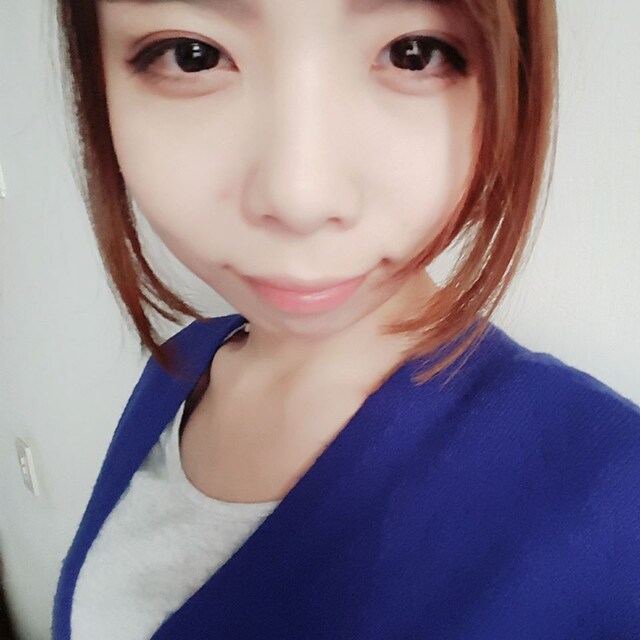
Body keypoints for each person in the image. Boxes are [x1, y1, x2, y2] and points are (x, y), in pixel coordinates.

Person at [51, 0, 640, 638]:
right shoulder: (181, 364)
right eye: (192, 56)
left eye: (414, 53)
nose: (300, 199)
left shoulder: (614, 499)